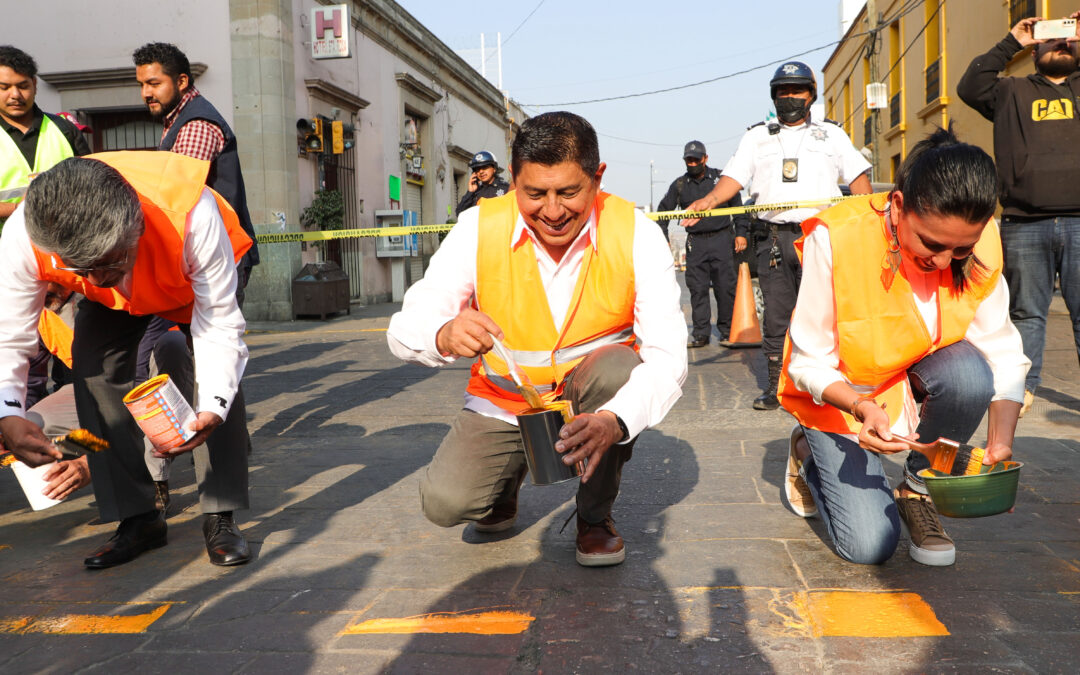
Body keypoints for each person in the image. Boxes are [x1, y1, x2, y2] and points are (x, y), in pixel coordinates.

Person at [388, 112, 687, 567]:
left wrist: (615, 420)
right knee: (444, 503)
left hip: (592, 401)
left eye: (568, 192)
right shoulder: (478, 228)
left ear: (597, 177)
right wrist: (442, 333)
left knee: (620, 373)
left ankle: (594, 515)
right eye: (534, 194)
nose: (552, 211)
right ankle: (502, 487)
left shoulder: (636, 234)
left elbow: (667, 358)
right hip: (504, 404)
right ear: (513, 180)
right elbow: (406, 325)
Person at [777, 127, 1029, 567]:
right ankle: (807, 450)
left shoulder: (982, 241)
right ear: (897, 206)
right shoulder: (837, 236)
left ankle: (916, 490)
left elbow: (1002, 350)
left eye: (961, 249)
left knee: (971, 374)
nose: (944, 261)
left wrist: (1000, 442)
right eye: (931, 244)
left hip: (915, 375)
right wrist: (861, 407)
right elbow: (807, 361)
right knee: (869, 546)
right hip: (843, 393)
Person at [0, 151, 254, 568]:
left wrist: (213, 406)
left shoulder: (193, 216)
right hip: (124, 288)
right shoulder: (24, 234)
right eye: (82, 269)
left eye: (107, 263)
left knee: (214, 380)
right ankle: (138, 518)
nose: (96, 280)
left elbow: (219, 326)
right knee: (92, 367)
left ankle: (220, 515)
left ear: (136, 227)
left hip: (188, 279)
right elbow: (8, 333)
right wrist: (8, 412)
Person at [685, 62, 871, 409]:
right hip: (772, 240)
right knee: (776, 317)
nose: (790, 97)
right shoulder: (757, 137)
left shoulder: (832, 135)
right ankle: (777, 387)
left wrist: (870, 222)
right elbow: (734, 178)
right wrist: (708, 201)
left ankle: (831, 388)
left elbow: (859, 181)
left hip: (821, 237)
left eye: (796, 90)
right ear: (774, 96)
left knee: (825, 315)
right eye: (783, 91)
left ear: (811, 95)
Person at [134, 42, 260, 507]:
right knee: (199, 362)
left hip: (212, 263)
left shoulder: (197, 126)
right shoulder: (179, 121)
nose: (146, 92)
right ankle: (219, 449)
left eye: (154, 83)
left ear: (181, 81)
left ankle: (203, 480)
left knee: (205, 362)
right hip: (191, 263)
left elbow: (175, 193)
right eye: (142, 84)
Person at [957, 12, 1080, 417]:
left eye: (1067, 39)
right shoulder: (1010, 91)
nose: (1060, 43)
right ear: (1035, 48)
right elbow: (970, 85)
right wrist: (1012, 41)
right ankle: (1022, 390)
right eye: (1051, 39)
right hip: (1024, 222)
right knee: (1026, 313)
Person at [656, 141, 750, 348]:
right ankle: (700, 334)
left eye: (696, 160)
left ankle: (727, 331)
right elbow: (662, 213)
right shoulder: (680, 185)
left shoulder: (721, 180)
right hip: (696, 243)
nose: (692, 164)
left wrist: (741, 234)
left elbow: (739, 208)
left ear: (705, 159)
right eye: (689, 160)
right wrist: (664, 240)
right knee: (697, 290)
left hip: (721, 240)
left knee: (725, 288)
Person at [1, 45, 90, 223]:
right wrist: (19, 209)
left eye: (23, 86)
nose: (15, 95)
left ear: (34, 85)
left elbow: (93, 186)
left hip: (62, 238)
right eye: (4, 87)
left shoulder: (65, 130)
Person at [455, 150, 510, 216]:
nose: (481, 172)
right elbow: (460, 213)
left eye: (485, 167)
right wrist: (470, 192)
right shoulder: (475, 193)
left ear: (494, 169)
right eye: (477, 169)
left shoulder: (506, 188)